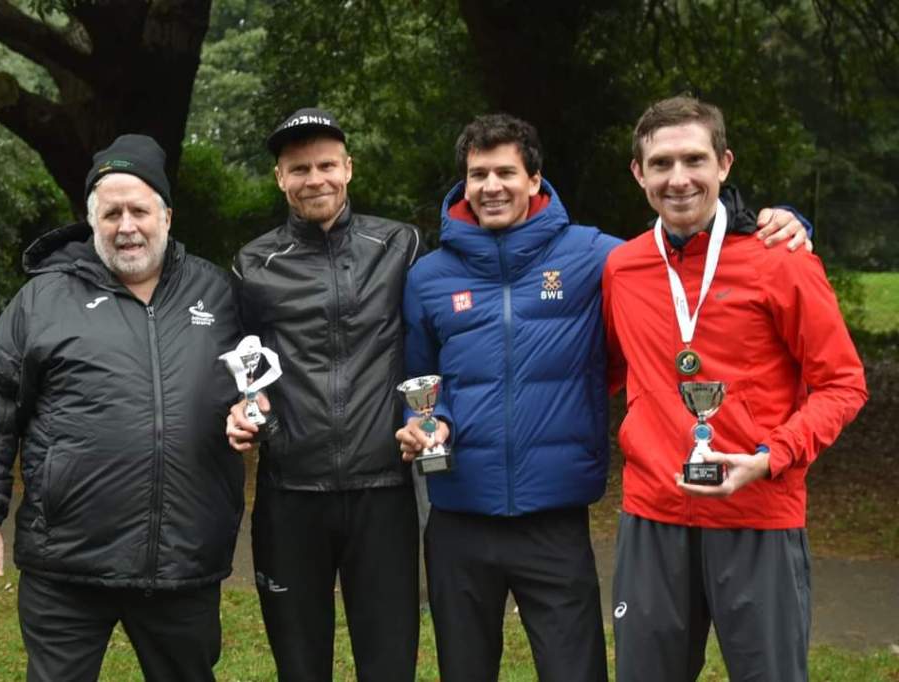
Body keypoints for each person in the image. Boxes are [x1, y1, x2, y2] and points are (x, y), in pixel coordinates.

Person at [396, 113, 810, 682]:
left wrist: (784, 221)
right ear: (463, 183)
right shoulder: (428, 276)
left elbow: (682, 247)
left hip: (555, 517)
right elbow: (420, 376)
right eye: (478, 174)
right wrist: (428, 420)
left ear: (534, 179)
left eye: (506, 172)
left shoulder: (595, 256)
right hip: (458, 515)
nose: (491, 186)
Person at [0, 134, 244, 682]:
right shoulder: (43, 299)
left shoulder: (216, 293)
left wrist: (256, 413)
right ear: (92, 222)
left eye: (139, 210)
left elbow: (258, 382)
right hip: (66, 563)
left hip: (181, 560)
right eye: (111, 213)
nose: (126, 226)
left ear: (167, 216)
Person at [603, 96, 868, 681]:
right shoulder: (622, 268)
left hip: (758, 514)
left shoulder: (782, 260)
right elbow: (603, 372)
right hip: (654, 515)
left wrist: (772, 456)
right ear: (638, 173)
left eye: (694, 160)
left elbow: (843, 383)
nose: (678, 179)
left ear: (724, 164)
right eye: (661, 163)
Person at [227, 108, 422, 681]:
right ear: (280, 178)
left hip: (382, 491)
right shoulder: (253, 264)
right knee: (300, 667)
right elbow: (234, 362)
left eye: (326, 165)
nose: (315, 179)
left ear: (348, 168)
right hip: (291, 494)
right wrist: (237, 408)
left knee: (389, 667)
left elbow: (434, 338)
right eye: (299, 169)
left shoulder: (399, 245)